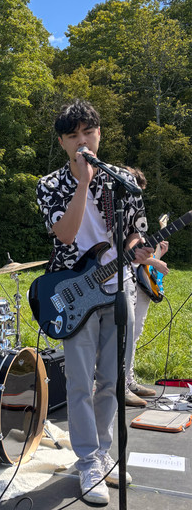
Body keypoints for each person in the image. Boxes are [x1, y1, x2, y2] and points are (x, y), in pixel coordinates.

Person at [36, 100, 154, 505]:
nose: (82, 141)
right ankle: (87, 461)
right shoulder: (50, 185)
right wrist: (83, 184)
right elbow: (66, 235)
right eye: (73, 136)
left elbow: (135, 232)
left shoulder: (124, 181)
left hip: (119, 287)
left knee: (113, 380)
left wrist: (138, 248)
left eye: (88, 132)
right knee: (79, 381)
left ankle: (102, 454)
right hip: (75, 293)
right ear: (62, 142)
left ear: (100, 134)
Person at [122, 168, 169, 407]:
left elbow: (138, 253)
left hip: (135, 280)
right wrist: (155, 262)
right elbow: (126, 254)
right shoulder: (116, 214)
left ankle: (129, 380)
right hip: (120, 280)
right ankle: (120, 384)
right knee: (124, 335)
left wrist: (157, 253)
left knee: (134, 333)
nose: (138, 197)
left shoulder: (136, 217)